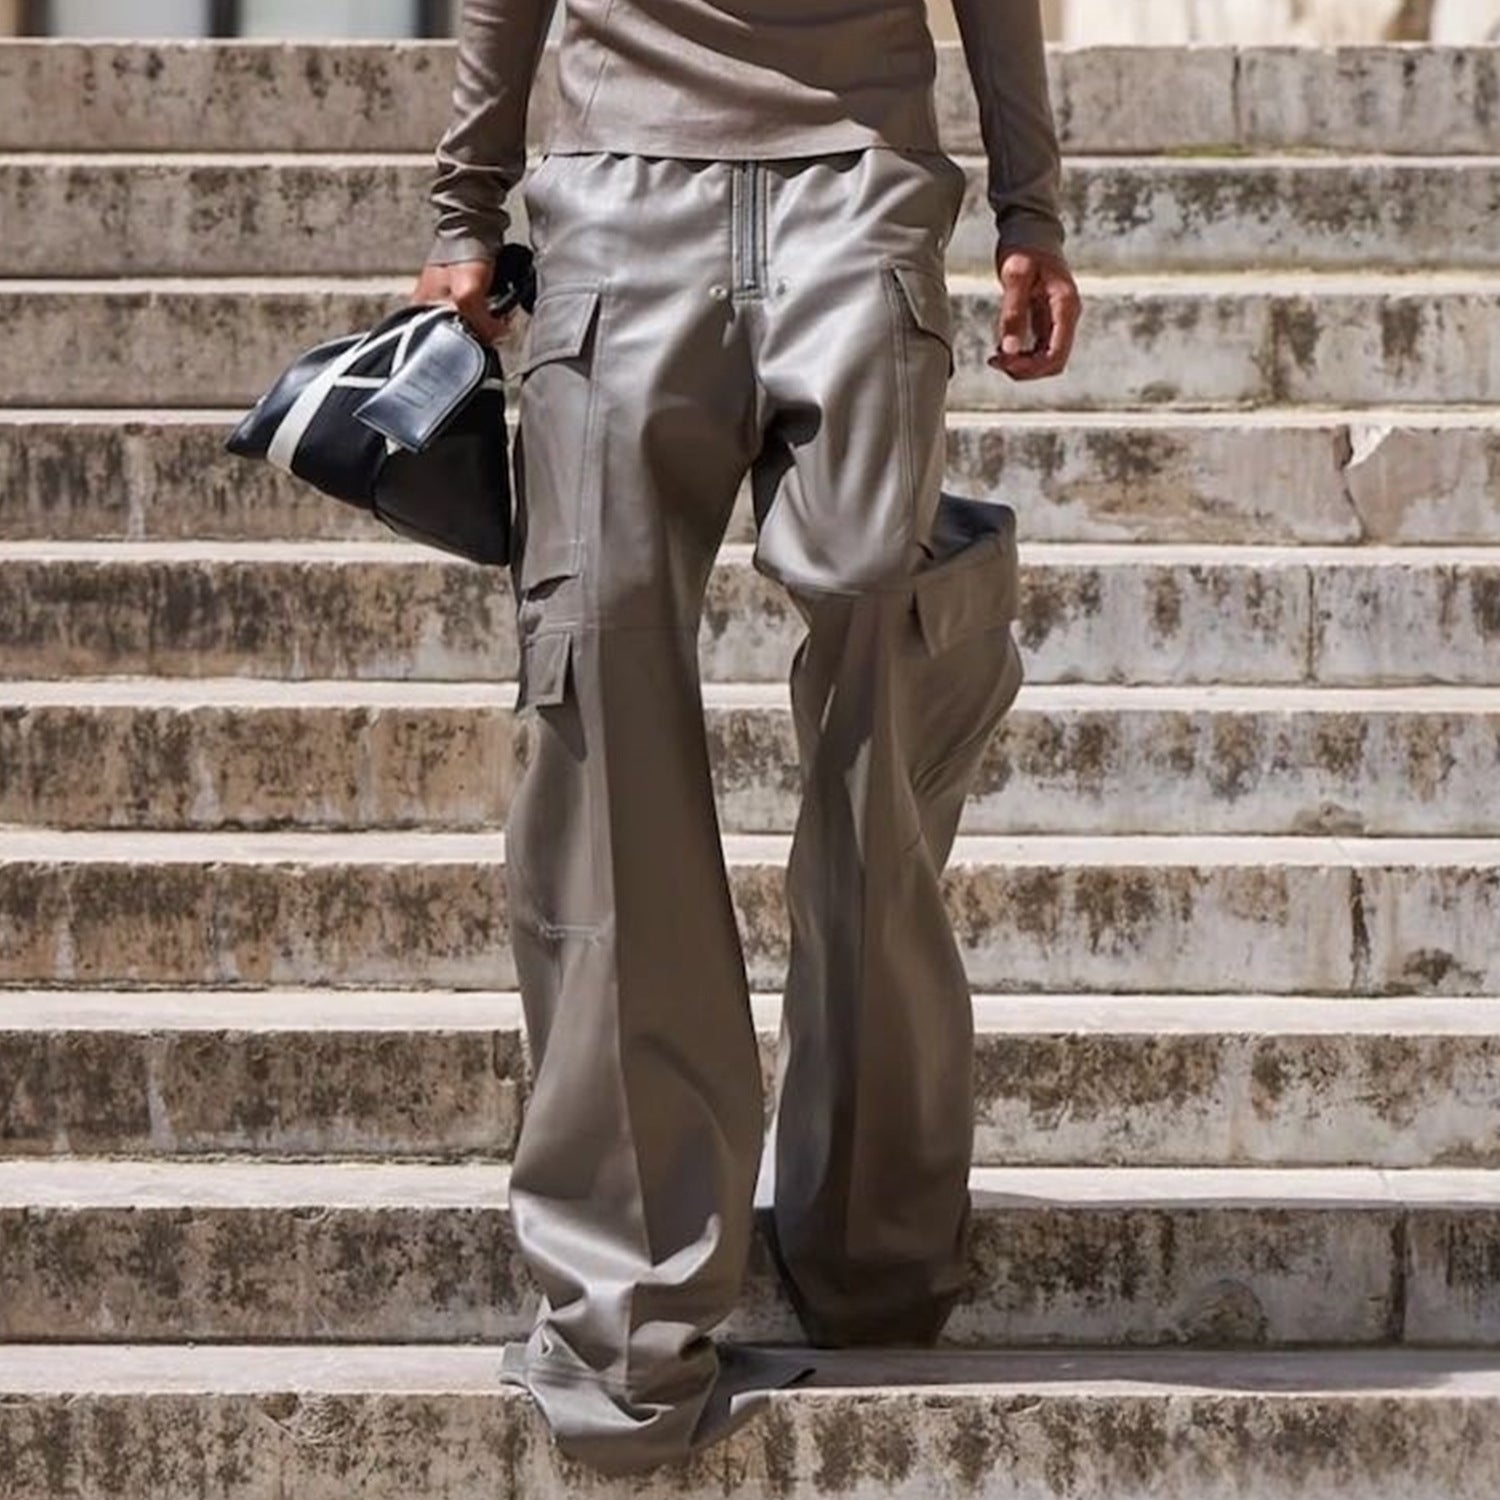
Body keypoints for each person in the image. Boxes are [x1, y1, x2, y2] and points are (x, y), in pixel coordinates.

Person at [412, 0, 1081, 1475]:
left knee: (884, 667)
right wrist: (467, 205)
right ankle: (630, 1310)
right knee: (603, 732)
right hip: (614, 200)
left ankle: (873, 1233)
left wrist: (1029, 205)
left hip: (863, 180)